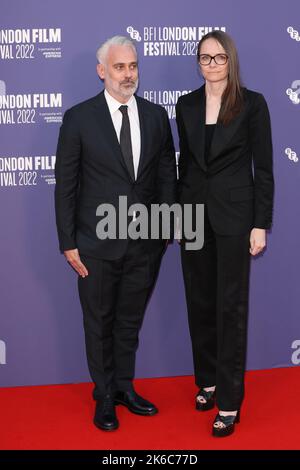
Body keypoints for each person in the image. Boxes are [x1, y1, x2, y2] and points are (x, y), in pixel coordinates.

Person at [55, 36, 176, 431]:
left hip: (145, 243)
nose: (129, 74)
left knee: (128, 322)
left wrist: (165, 231)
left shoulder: (157, 116)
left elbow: (165, 178)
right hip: (94, 244)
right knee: (99, 322)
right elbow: (66, 185)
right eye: (120, 67)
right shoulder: (79, 118)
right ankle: (104, 395)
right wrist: (68, 241)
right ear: (102, 71)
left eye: (133, 66)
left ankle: (124, 387)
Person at [176, 31, 274, 437]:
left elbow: (263, 169)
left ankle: (230, 403)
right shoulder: (185, 105)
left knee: (229, 308)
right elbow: (185, 168)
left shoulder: (252, 104)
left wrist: (260, 223)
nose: (212, 65)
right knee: (200, 302)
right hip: (193, 218)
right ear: (197, 62)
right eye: (205, 58)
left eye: (219, 58)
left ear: (230, 61)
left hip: (236, 220)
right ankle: (208, 382)